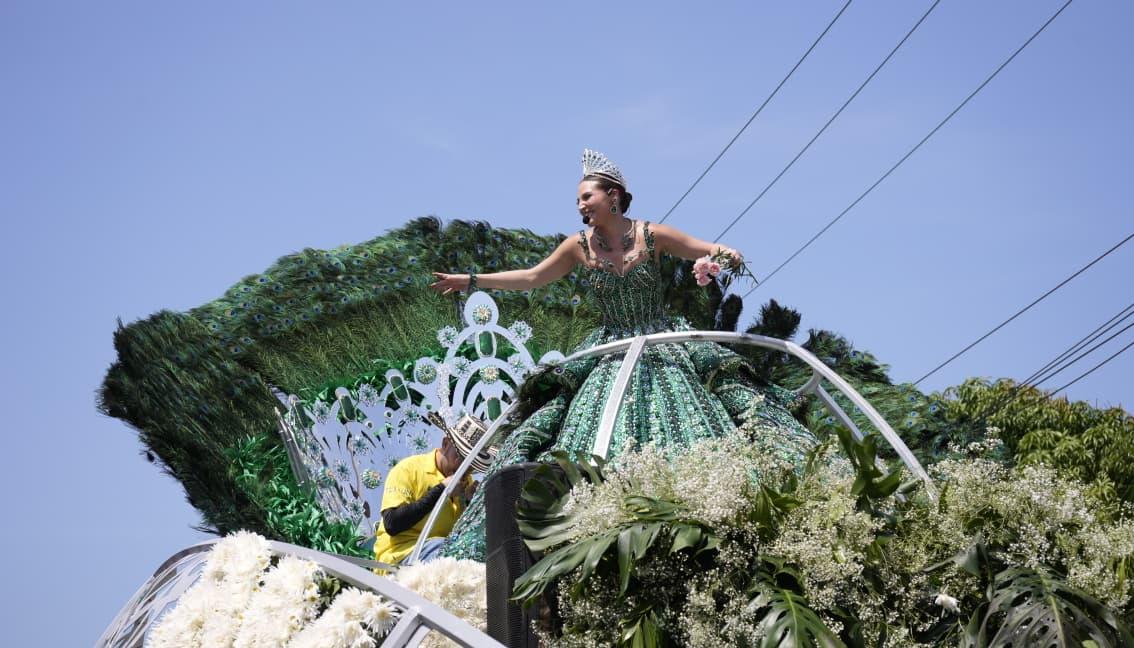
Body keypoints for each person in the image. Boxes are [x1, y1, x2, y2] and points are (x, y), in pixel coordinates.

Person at [430, 149, 819, 561]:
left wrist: (721, 259)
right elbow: (531, 278)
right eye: (578, 200)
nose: (580, 206)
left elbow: (709, 248)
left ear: (613, 196)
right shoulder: (578, 247)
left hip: (663, 347)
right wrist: (470, 280)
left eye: (586, 197)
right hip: (611, 355)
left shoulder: (652, 236)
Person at [372, 415, 493, 566]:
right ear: (445, 443)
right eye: (462, 457)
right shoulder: (408, 469)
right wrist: (441, 490)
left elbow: (462, 535)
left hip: (444, 551)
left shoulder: (465, 480)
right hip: (400, 557)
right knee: (450, 552)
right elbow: (392, 523)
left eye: (472, 464)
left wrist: (471, 505)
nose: (466, 468)